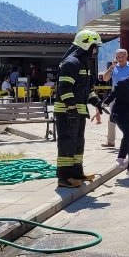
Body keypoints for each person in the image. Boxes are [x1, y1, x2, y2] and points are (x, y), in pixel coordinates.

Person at [55, 30, 105, 188]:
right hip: (67, 112)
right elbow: (65, 88)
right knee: (67, 144)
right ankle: (64, 178)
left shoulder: (83, 63)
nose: (96, 50)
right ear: (86, 45)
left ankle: (76, 173)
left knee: (77, 144)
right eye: (94, 47)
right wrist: (70, 108)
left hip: (78, 111)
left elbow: (86, 89)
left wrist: (97, 102)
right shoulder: (71, 63)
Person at [100, 49, 129, 148]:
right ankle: (110, 141)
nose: (120, 59)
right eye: (118, 57)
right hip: (115, 95)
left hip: (128, 95)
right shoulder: (113, 68)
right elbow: (105, 79)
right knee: (112, 117)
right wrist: (111, 68)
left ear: (126, 56)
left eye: (122, 56)